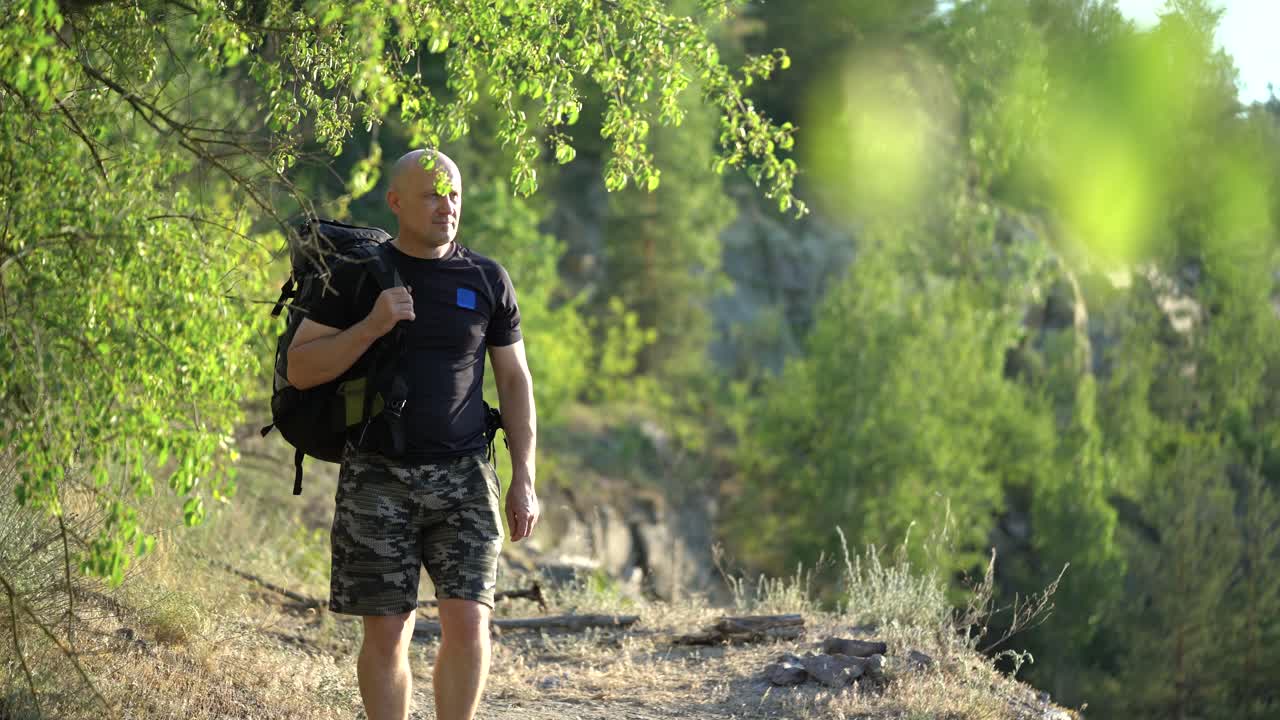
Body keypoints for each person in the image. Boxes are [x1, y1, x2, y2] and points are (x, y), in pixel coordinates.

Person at [285, 149, 539, 720]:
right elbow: (300, 369)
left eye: (452, 194)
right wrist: (372, 324)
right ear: (396, 202)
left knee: (471, 621)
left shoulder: (487, 278)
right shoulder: (355, 277)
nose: (445, 206)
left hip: (466, 476)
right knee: (387, 633)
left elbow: (515, 380)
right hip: (379, 476)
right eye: (430, 194)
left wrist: (524, 477)